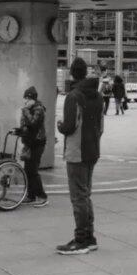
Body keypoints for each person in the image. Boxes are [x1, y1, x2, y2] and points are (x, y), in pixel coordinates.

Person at [56, 57, 103, 255]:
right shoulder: (98, 95)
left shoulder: (74, 96)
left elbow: (69, 125)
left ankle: (81, 239)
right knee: (86, 195)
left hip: (77, 151)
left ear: (71, 73)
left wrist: (60, 125)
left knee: (78, 197)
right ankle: (89, 237)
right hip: (93, 149)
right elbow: (101, 125)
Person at [18, 86, 48, 207]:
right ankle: (31, 195)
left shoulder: (39, 109)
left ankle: (42, 196)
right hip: (29, 142)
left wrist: (25, 112)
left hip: (38, 143)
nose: (25, 102)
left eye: (27, 99)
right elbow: (24, 124)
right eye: (24, 99)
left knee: (33, 170)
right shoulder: (28, 109)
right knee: (28, 170)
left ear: (32, 99)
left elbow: (34, 123)